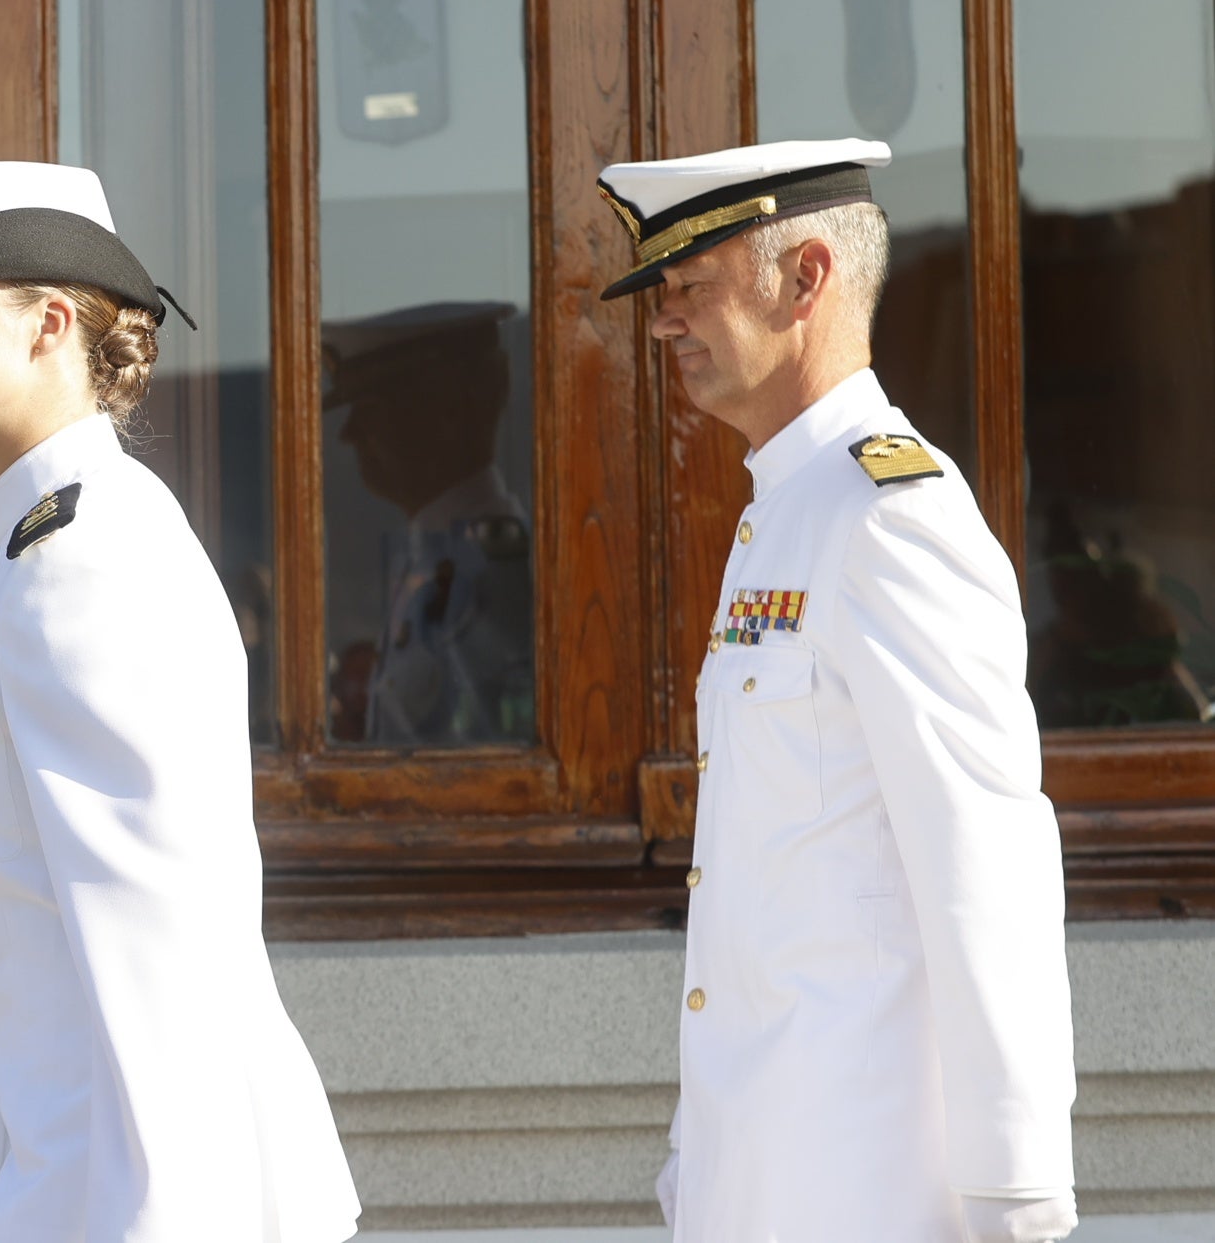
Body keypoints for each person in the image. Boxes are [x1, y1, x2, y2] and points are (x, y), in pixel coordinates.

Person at [0, 160, 361, 1243]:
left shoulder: (86, 565)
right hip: (71, 1180)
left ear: (49, 324)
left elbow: (162, 952)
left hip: (136, 1197)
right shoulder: (28, 564)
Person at [595, 140, 1078, 1242]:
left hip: (870, 1187)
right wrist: (697, 1162)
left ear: (805, 277)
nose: (663, 321)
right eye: (660, 293)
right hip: (765, 1172)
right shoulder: (788, 509)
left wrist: (1014, 1188)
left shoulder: (888, 514)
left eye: (691, 286)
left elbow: (984, 858)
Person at [321, 302, 534, 745]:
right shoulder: (436, 555)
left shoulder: (495, 573)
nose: (350, 433)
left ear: (451, 410)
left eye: (370, 406)